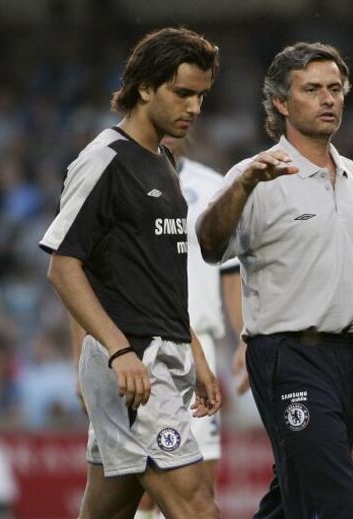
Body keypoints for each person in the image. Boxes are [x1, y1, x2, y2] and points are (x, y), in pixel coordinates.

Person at [196, 41, 353, 518]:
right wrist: (242, 187)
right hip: (289, 356)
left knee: (292, 495)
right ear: (280, 101)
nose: (328, 99)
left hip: (349, 360)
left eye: (335, 88)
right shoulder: (254, 175)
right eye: (312, 89)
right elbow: (210, 246)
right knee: (338, 502)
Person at [39, 27, 221, 519]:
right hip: (134, 363)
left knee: (109, 510)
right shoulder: (103, 161)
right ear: (144, 88)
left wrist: (195, 352)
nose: (194, 108)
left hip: (162, 354)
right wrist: (119, 351)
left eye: (201, 96)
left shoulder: (162, 158)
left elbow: (158, 278)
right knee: (197, 505)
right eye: (182, 93)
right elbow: (63, 267)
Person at [135, 136, 243, 519]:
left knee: (201, 481)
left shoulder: (214, 187)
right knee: (142, 485)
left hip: (201, 343)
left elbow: (231, 272)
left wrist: (244, 339)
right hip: (140, 344)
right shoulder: (120, 177)